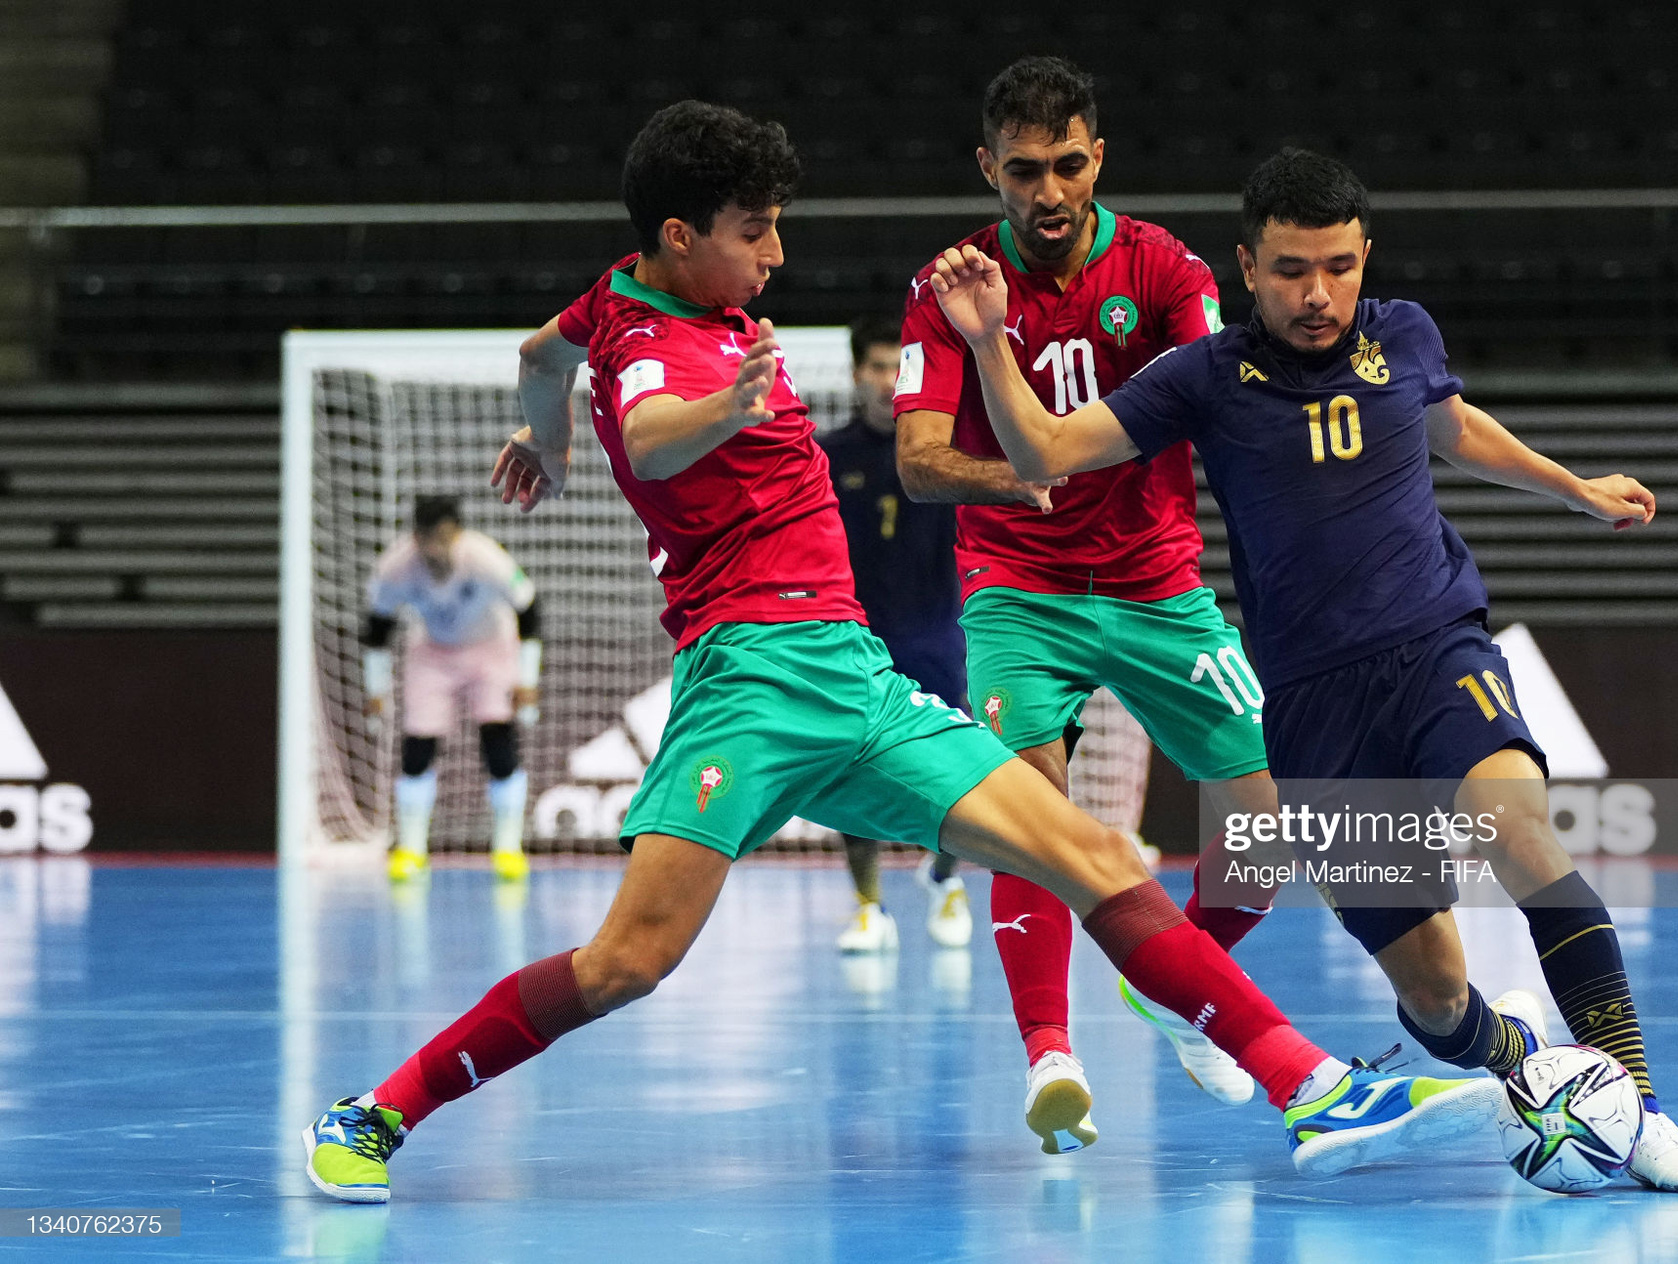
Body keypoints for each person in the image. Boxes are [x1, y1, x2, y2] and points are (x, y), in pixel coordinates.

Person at [301, 103, 1500, 1204]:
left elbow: (539, 353)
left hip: (857, 676)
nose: (774, 259)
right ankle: (379, 1112)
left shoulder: (616, 302)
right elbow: (659, 436)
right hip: (752, 681)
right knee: (628, 961)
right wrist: (707, 416)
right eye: (754, 234)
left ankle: (1311, 1090)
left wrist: (549, 439)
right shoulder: (673, 351)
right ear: (679, 233)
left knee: (1084, 844)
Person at [926, 146, 1678, 1192]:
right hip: (1313, 708)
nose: (1318, 295)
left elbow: (1453, 429)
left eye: (1339, 268)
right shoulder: (1200, 377)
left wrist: (1571, 487)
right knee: (1438, 997)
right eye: (1293, 271)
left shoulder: (1402, 333)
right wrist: (990, 346)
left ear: (1364, 260)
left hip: (1434, 646)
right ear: (1246, 267)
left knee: (1517, 829)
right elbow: (1036, 452)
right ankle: (1520, 1067)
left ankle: (1637, 1108)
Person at [896, 56, 1279, 1145]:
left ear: (1096, 157)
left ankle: (1172, 986)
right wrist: (1016, 473)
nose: (1049, 193)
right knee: (1034, 824)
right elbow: (921, 460)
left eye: (1067, 165)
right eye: (1023, 172)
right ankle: (1048, 1053)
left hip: (1158, 581)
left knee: (1270, 827)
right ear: (988, 168)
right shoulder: (949, 287)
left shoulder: (1162, 268)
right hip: (1016, 585)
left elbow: (1218, 399)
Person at [819, 316, 974, 952]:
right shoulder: (825, 455)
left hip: (938, 632)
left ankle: (943, 876)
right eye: (879, 367)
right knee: (849, 769)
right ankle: (867, 905)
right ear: (857, 374)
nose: (889, 381)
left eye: (900, 368)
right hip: (855, 636)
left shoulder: (942, 449)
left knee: (959, 773)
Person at [361, 494, 540, 882]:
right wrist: (375, 689)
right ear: (415, 537)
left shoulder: (485, 558)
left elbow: (529, 609)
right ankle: (411, 850)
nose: (434, 549)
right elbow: (376, 627)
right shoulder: (397, 566)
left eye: (442, 538)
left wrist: (528, 680)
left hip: (490, 648)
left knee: (498, 743)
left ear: (457, 535)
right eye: (425, 539)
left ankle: (508, 850)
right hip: (432, 652)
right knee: (418, 747)